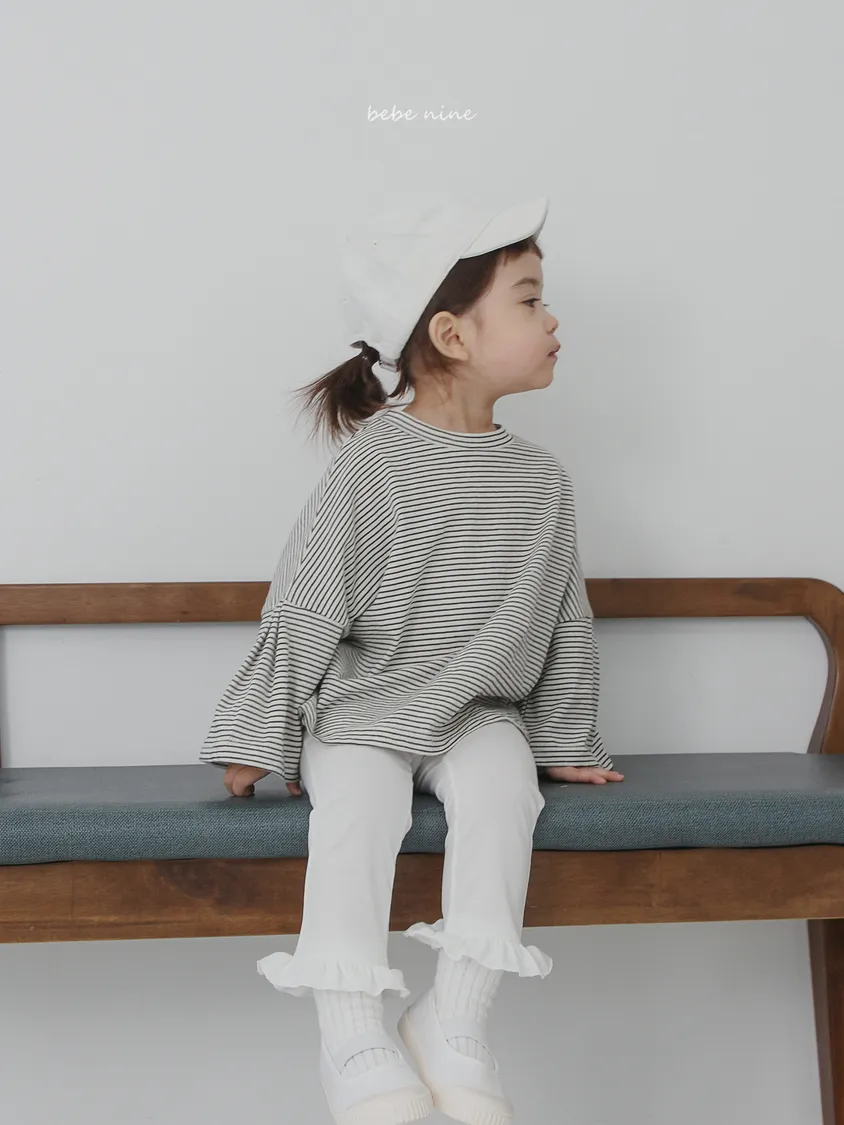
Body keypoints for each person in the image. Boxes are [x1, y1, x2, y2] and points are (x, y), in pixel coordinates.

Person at [199, 193, 624, 1125]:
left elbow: (564, 616)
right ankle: (351, 1032)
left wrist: (563, 739)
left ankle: (457, 1021)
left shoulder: (542, 480)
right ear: (452, 334)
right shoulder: (375, 463)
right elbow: (308, 599)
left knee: (505, 790)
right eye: (530, 299)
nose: (554, 320)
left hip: (476, 713)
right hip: (362, 707)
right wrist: (260, 733)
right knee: (359, 805)